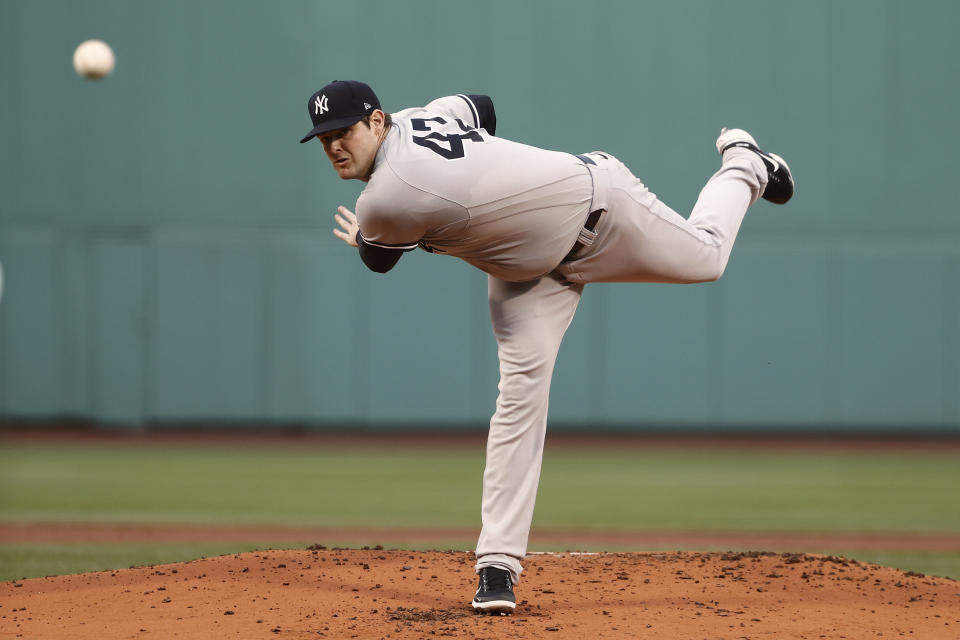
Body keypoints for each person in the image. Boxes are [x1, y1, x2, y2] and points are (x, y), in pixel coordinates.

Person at [299, 80, 794, 614]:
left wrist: (462, 195)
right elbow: (478, 104)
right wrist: (488, 182)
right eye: (323, 137)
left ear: (377, 121)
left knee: (708, 259)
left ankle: (746, 163)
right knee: (518, 401)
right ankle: (497, 567)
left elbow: (377, 258)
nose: (333, 146)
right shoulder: (425, 115)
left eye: (342, 130)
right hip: (528, 276)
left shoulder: (385, 199)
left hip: (602, 214)